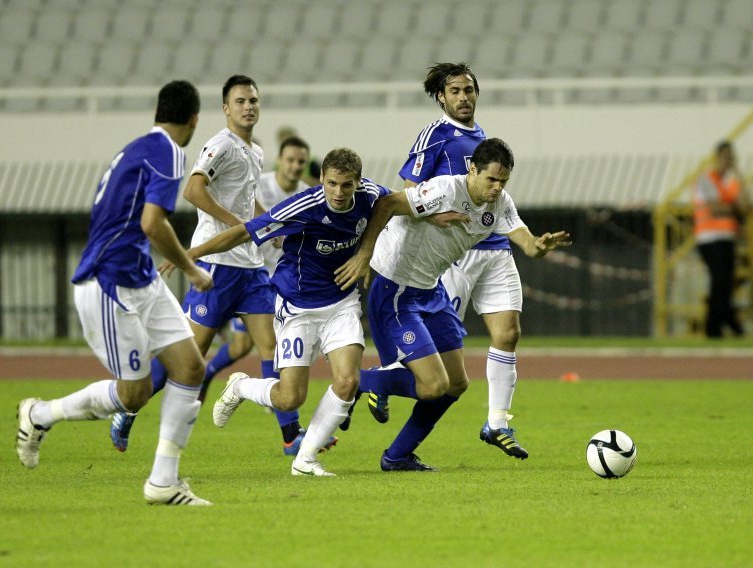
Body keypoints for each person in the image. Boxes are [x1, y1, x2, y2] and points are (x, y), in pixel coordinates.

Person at [15, 80, 215, 505]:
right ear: (194, 120)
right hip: (108, 283)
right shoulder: (169, 153)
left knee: (191, 369)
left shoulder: (139, 147)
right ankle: (39, 414)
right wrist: (192, 270)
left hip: (139, 275)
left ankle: (163, 483)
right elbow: (151, 223)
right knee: (134, 395)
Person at [109, 76, 322, 457]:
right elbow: (193, 190)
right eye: (240, 100)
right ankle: (128, 408)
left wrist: (265, 226)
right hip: (217, 266)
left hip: (252, 267)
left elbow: (247, 200)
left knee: (270, 345)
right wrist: (235, 224)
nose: (248, 106)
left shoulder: (255, 151)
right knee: (189, 358)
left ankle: (291, 436)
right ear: (226, 108)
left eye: (253, 100)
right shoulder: (219, 144)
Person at [335, 138, 571, 471]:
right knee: (433, 386)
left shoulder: (500, 204)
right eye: (490, 179)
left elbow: (528, 245)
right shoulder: (445, 189)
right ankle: (360, 382)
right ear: (472, 169)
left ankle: (397, 456)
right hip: (397, 289)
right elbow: (387, 204)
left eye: (503, 181)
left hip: (431, 291)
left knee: (456, 384)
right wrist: (365, 253)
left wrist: (540, 245)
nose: (496, 188)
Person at [166, 148, 392, 476]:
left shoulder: (372, 194)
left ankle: (306, 459)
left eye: (347, 185)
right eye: (332, 184)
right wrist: (188, 255)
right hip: (297, 307)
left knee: (347, 381)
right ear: (322, 179)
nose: (339, 193)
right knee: (289, 399)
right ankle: (241, 387)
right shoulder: (303, 206)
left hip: (341, 304)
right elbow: (243, 232)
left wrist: (368, 252)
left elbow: (396, 202)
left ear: (359, 182)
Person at [362, 62, 534, 460]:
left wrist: (532, 241)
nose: (463, 97)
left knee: (466, 367)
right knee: (429, 371)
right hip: (438, 257)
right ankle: (372, 382)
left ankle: (494, 422)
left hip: (479, 246)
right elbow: (407, 189)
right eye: (454, 91)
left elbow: (492, 201)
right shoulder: (435, 135)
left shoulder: (483, 140)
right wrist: (431, 211)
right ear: (441, 96)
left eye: (468, 90)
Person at [202, 136, 313, 382]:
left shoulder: (306, 195)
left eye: (300, 162)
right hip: (250, 273)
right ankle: (207, 374)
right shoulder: (258, 185)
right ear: (279, 161)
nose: (295, 166)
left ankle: (277, 399)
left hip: (284, 280)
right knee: (242, 345)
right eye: (291, 160)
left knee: (271, 343)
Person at [693, 140, 749, 338]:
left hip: (727, 238)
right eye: (725, 157)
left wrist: (739, 175)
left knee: (726, 283)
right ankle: (718, 325)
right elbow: (716, 208)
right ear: (717, 158)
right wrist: (734, 209)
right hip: (709, 238)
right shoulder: (706, 179)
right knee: (719, 280)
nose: (728, 161)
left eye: (731, 158)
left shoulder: (731, 182)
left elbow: (745, 206)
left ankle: (722, 323)